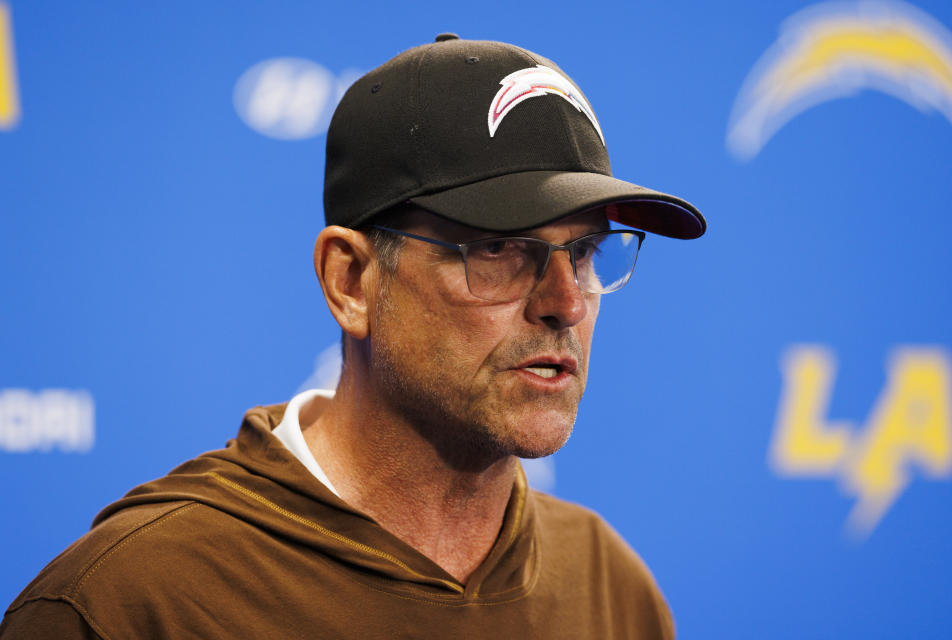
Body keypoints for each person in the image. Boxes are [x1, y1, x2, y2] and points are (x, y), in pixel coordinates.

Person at [1, 34, 705, 639]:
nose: (565, 304)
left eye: (584, 254)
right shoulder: (128, 602)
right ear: (350, 281)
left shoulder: (609, 588)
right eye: (499, 251)